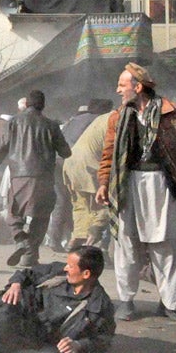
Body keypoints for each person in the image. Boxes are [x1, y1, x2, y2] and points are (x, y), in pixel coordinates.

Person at [96, 63, 176, 321]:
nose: (118, 89)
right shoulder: (118, 117)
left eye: (123, 84)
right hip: (126, 183)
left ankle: (170, 302)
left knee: (163, 245)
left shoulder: (170, 114)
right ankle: (127, 300)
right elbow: (109, 153)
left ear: (138, 86)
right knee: (127, 243)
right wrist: (103, 183)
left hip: (161, 184)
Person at [0, 89, 71, 267]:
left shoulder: (13, 122)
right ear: (43, 106)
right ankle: (30, 255)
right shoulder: (51, 125)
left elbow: (3, 145)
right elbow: (66, 152)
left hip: (20, 175)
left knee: (14, 212)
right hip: (44, 176)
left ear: (26, 105)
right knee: (41, 216)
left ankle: (21, 239)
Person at [63, 108, 112, 252]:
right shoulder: (119, 120)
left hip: (71, 163)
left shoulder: (103, 118)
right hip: (90, 165)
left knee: (81, 206)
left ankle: (77, 243)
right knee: (102, 204)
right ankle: (91, 243)